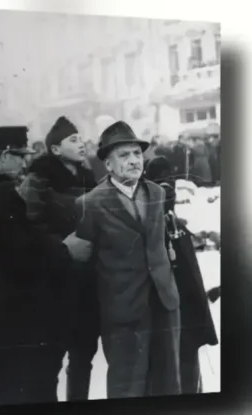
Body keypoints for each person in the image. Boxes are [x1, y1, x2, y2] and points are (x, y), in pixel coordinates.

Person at [0, 126, 91, 407]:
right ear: (5, 155)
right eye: (20, 156)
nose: (24, 162)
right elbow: (20, 250)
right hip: (4, 315)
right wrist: (64, 250)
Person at [74, 121, 182, 398]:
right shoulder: (91, 203)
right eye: (124, 155)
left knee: (168, 384)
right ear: (107, 164)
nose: (134, 160)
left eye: (137, 153)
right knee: (127, 389)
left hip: (164, 303)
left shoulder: (157, 193)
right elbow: (85, 262)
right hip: (123, 311)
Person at [18, 116, 100, 401]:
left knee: (83, 355)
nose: (81, 144)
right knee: (49, 361)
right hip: (53, 284)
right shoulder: (38, 180)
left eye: (81, 138)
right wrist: (61, 246)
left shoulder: (89, 178)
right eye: (73, 140)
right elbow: (26, 227)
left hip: (87, 281)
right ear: (55, 149)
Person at [143, 156, 219, 394]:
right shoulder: (165, 216)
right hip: (180, 301)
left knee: (184, 353)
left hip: (182, 300)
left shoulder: (170, 219)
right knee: (184, 353)